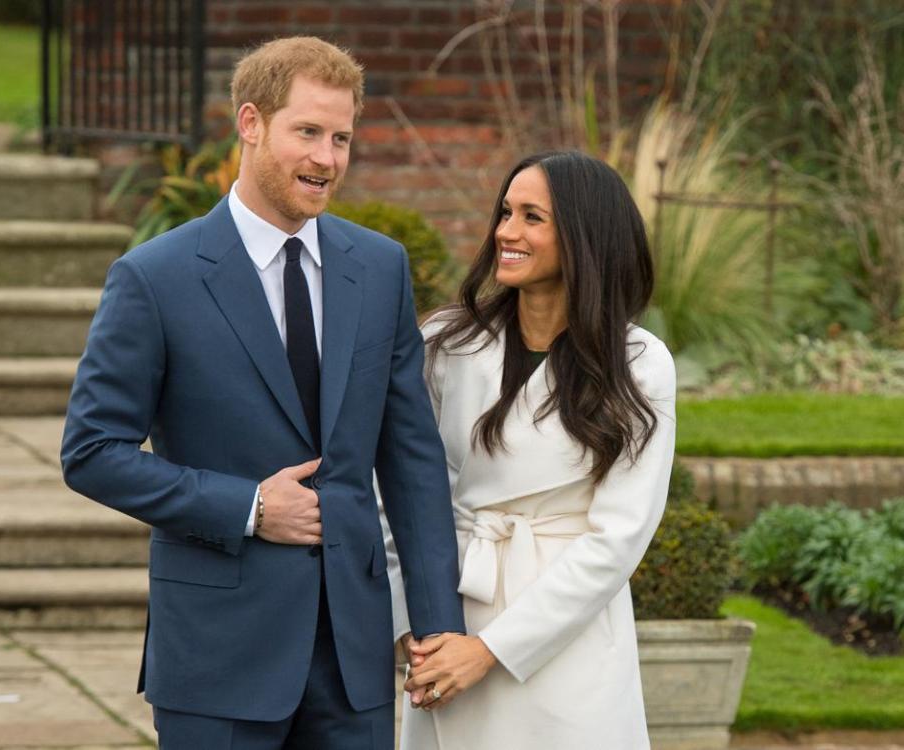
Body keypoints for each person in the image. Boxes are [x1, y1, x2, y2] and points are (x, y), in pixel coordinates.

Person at [61, 36, 464, 750]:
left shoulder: (379, 269)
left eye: (340, 138)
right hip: (217, 656)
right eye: (306, 132)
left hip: (352, 658)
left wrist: (435, 623)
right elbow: (91, 451)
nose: (326, 159)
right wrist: (247, 508)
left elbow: (411, 459)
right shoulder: (154, 277)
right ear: (250, 124)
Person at [386, 151, 676, 749]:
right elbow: (398, 486)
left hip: (564, 639)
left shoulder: (640, 365)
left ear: (584, 235)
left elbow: (618, 537)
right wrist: (407, 620)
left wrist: (493, 650)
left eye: (532, 217)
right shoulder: (445, 342)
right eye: (505, 212)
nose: (506, 232)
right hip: (448, 616)